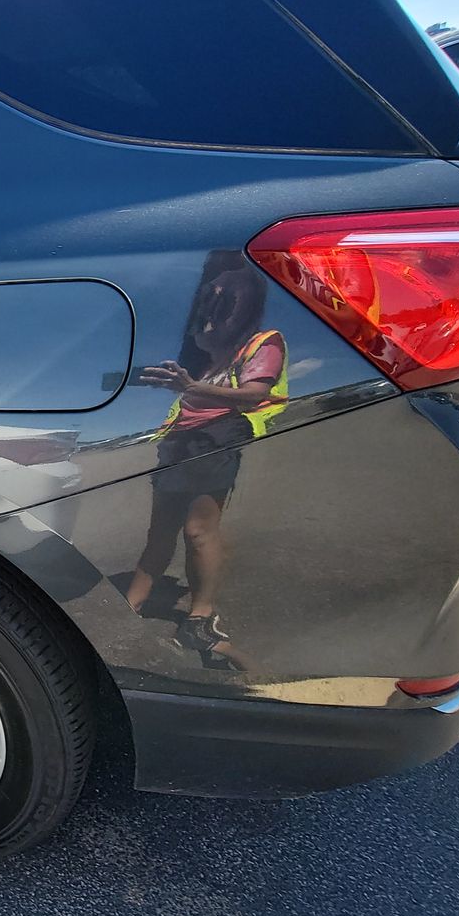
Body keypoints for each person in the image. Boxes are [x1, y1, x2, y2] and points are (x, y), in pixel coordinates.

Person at [126, 262, 287, 671]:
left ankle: (200, 617)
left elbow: (253, 394)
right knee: (159, 530)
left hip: (217, 437)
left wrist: (191, 387)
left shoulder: (264, 342)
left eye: (224, 296)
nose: (213, 303)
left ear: (246, 303)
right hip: (179, 441)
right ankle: (130, 605)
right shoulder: (211, 356)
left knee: (198, 529)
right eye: (209, 296)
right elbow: (199, 348)